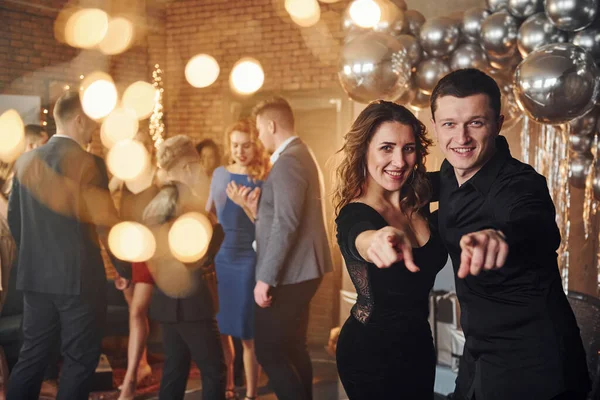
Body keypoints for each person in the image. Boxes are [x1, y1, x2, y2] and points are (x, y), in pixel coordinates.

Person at [429, 68, 590, 400]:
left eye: (476, 123)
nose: (461, 139)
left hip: (534, 361)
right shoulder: (449, 173)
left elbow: (534, 223)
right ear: (435, 127)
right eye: (449, 125)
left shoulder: (519, 183)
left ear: (498, 123)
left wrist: (500, 236)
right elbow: (411, 188)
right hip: (478, 354)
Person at [5, 91, 131, 400]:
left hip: (35, 279)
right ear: (79, 120)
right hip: (78, 279)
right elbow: (106, 224)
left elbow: (15, 223)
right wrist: (124, 268)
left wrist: (35, 257)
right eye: (91, 123)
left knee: (31, 358)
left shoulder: (24, 161)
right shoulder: (90, 164)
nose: (93, 129)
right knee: (80, 360)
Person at [332, 101, 448, 399]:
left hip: (419, 344)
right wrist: (374, 241)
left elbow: (469, 175)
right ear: (365, 150)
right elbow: (357, 236)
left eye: (408, 148)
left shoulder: (420, 196)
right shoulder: (356, 213)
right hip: (369, 352)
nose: (399, 161)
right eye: (386, 148)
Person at [240, 97, 333, 400]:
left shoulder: (289, 160)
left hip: (292, 273)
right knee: (294, 347)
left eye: (259, 130)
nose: (259, 137)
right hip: (303, 270)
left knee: (268, 350)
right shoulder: (300, 154)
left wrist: (265, 278)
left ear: (272, 125)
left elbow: (287, 224)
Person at [144, 135, 226, 400]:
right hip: (190, 301)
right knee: (214, 370)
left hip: (166, 301)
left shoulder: (155, 201)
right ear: (189, 166)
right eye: (198, 164)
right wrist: (216, 227)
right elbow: (198, 256)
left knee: (174, 370)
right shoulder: (186, 201)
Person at [206, 119, 269, 400]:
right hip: (223, 257)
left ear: (255, 146)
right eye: (235, 146)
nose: (240, 151)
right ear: (228, 147)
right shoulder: (219, 174)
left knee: (246, 330)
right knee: (222, 327)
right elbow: (208, 214)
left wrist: (244, 205)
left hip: (249, 257)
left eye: (246, 145)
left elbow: (266, 227)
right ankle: (228, 385)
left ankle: (251, 394)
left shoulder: (263, 177)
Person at [111, 132, 159, 400]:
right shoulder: (124, 176)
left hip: (149, 252)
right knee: (135, 312)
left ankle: (129, 381)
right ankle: (141, 365)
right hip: (126, 248)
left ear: (150, 147)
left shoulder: (158, 176)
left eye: (141, 144)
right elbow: (104, 195)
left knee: (138, 310)